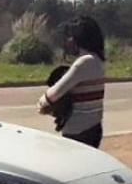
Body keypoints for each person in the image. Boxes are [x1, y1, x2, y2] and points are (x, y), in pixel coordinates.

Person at [38, 15, 106, 148]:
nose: (69, 40)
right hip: (94, 128)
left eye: (72, 36)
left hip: (77, 131)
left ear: (80, 38)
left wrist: (42, 102)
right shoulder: (98, 61)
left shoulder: (83, 63)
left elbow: (54, 93)